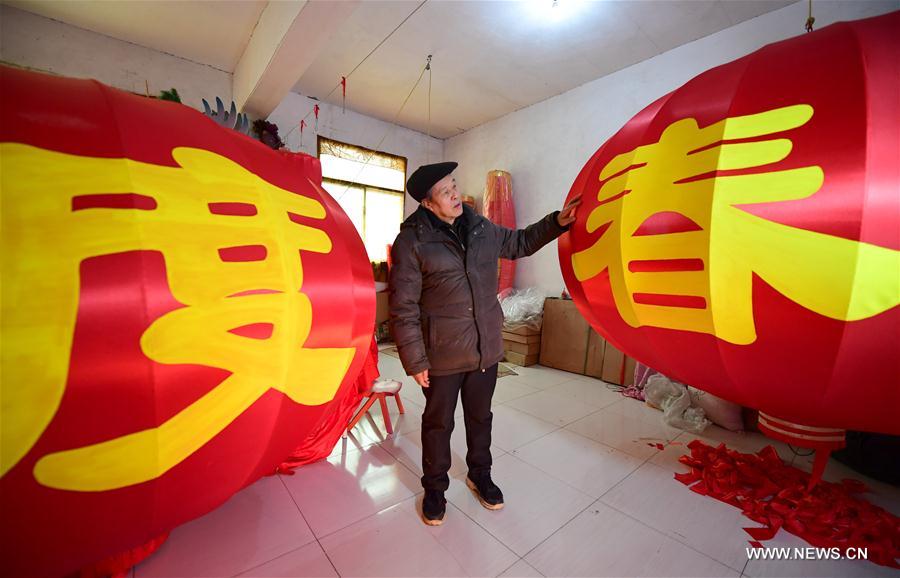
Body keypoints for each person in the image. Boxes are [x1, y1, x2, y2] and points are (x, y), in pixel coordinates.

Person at [388, 161, 580, 525]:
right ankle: (435, 487)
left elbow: (520, 241)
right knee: (438, 423)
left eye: (454, 185)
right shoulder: (411, 242)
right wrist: (415, 360)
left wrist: (557, 222)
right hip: (441, 353)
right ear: (428, 204)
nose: (456, 194)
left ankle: (480, 475)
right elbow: (403, 307)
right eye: (445, 192)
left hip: (484, 348)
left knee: (481, 418)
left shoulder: (480, 228)